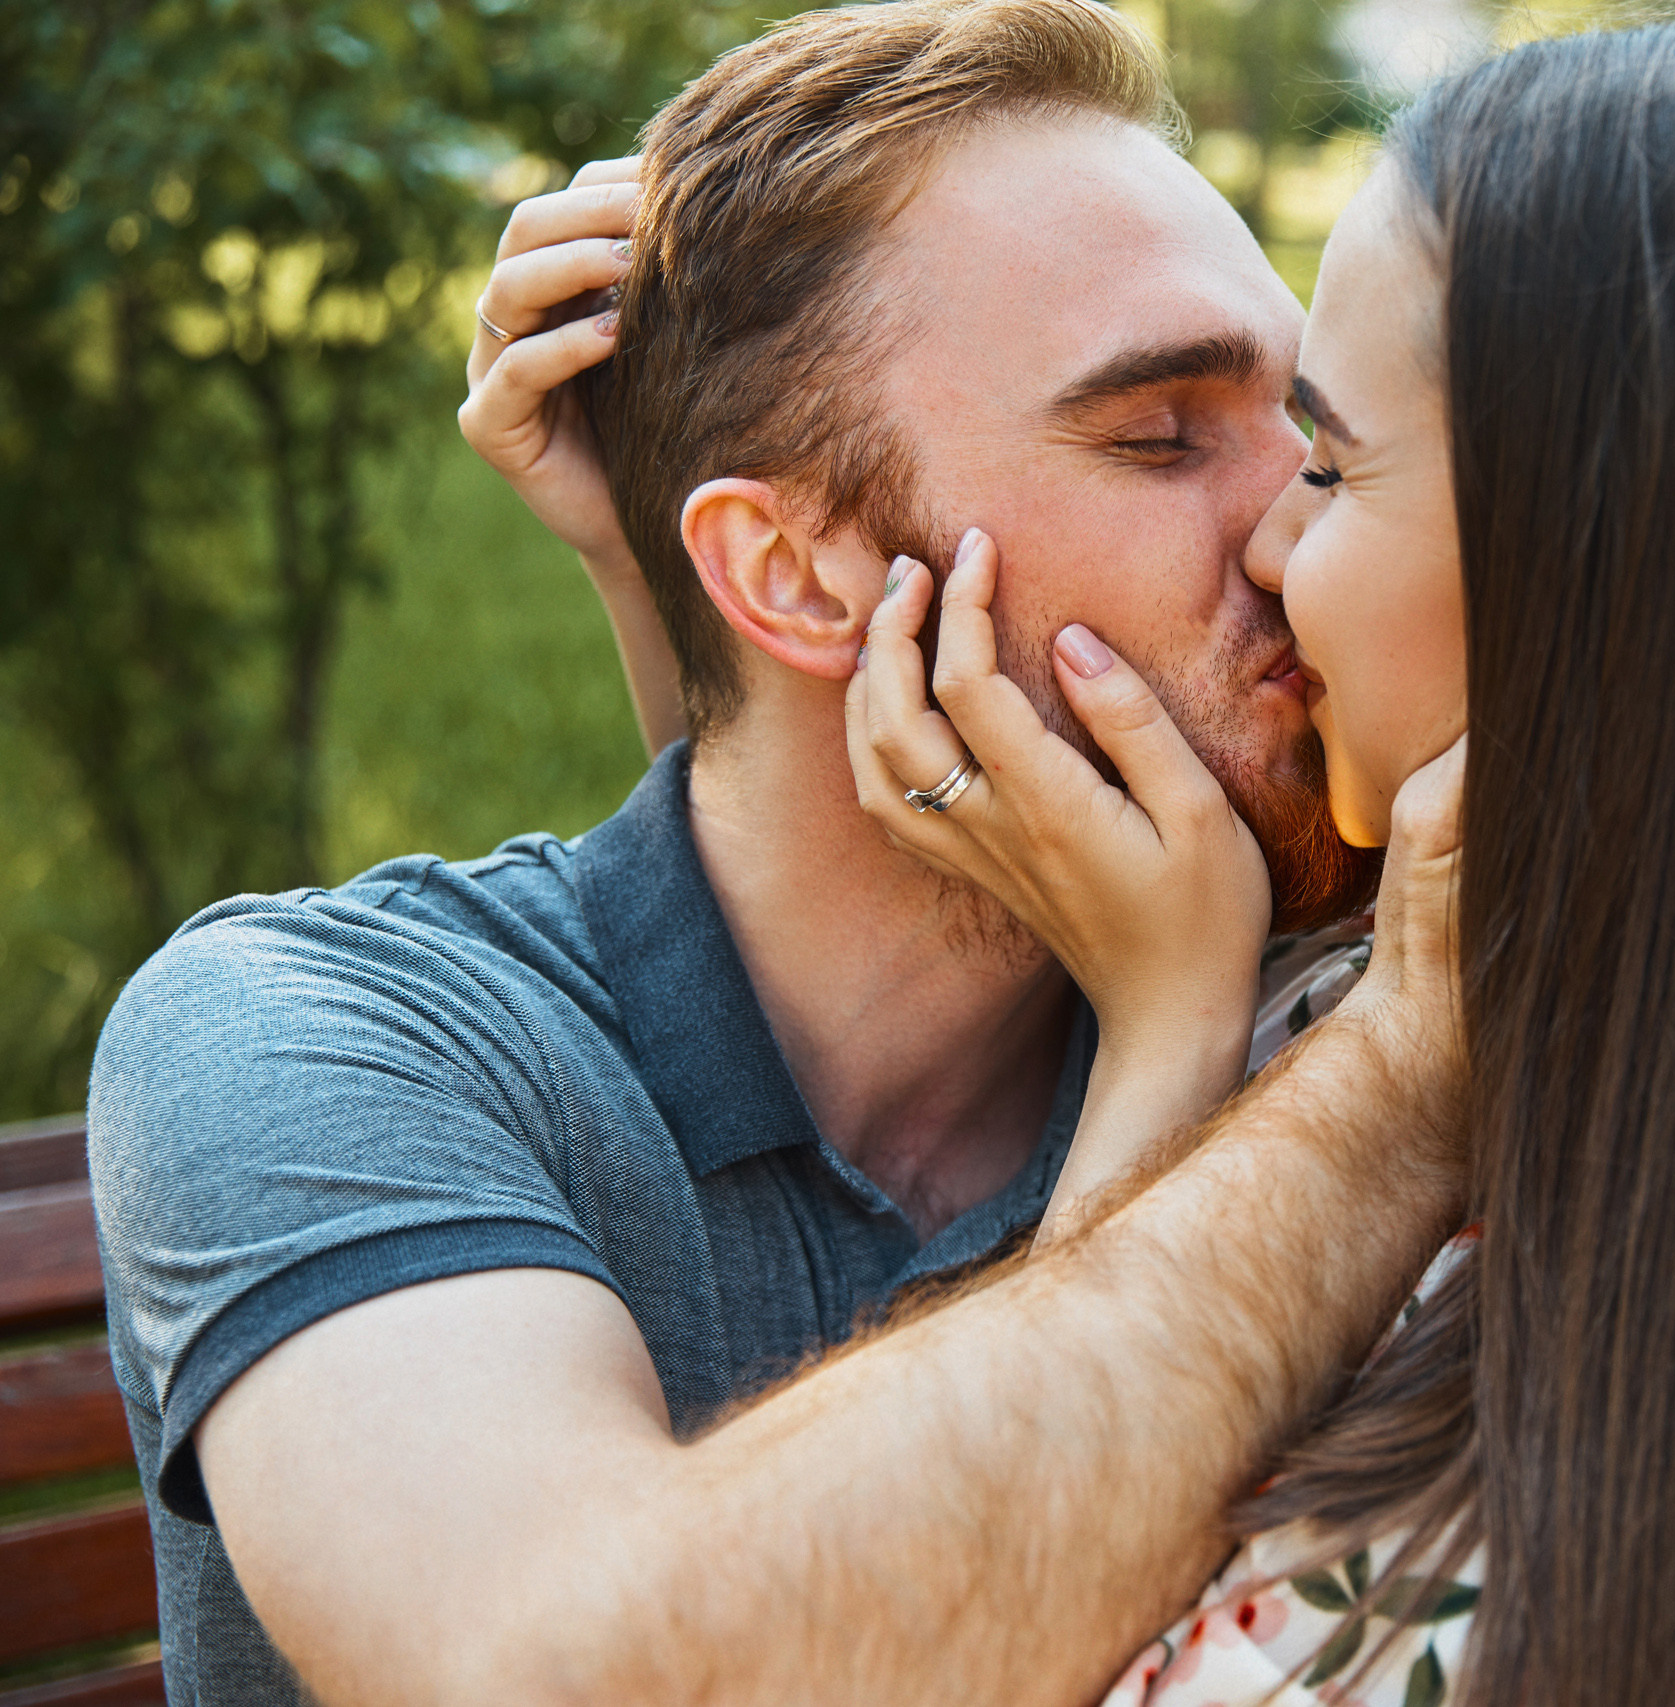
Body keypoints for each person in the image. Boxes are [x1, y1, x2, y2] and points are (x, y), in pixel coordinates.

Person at [85, 4, 1457, 1702]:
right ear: (795, 582)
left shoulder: (1294, 970)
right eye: (1160, 434)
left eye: (1315, 435)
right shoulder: (313, 1040)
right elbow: (562, 1676)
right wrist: (1390, 1066)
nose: (1291, 526)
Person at [840, 19, 1675, 1707]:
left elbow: (968, 1635)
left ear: (1619, 575)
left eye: (1329, 461)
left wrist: (1168, 1050)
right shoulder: (1402, 972)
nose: (1263, 538)